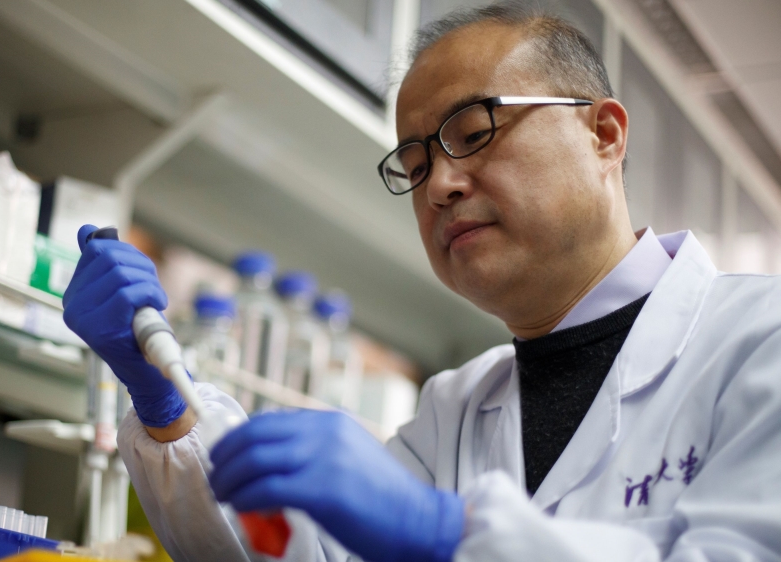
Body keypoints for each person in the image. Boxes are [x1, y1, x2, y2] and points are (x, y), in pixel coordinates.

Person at [62, 3, 781, 561]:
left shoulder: (759, 342)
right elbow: (300, 555)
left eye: (474, 132)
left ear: (605, 135)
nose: (438, 185)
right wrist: (162, 396)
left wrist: (445, 533)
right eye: (415, 165)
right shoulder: (455, 410)